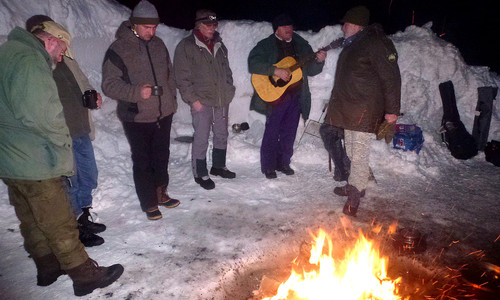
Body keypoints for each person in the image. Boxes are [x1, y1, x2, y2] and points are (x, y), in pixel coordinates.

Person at [0, 21, 123, 296]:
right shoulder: (30, 61)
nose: (59, 57)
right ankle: (84, 275)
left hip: (10, 157)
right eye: (61, 50)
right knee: (58, 219)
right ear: (51, 40)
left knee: (31, 219)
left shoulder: (7, 52)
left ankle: (48, 268)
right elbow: (42, 114)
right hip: (35, 158)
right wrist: (62, 144)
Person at [26, 15, 106, 247]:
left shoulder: (67, 59)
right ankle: (74, 229)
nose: (62, 48)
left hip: (81, 130)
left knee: (88, 176)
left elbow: (84, 82)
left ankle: (84, 216)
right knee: (70, 182)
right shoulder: (37, 64)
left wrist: (94, 95)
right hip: (61, 135)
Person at [102, 0, 180, 220]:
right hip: (136, 117)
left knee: (161, 157)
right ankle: (149, 203)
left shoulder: (159, 44)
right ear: (134, 24)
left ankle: (161, 194)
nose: (152, 31)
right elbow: (109, 85)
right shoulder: (119, 48)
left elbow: (169, 75)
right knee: (143, 160)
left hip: (163, 114)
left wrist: (171, 101)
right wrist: (137, 92)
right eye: (147, 27)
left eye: (154, 27)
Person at [324, 6, 401, 216]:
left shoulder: (376, 43)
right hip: (350, 108)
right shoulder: (355, 43)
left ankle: (355, 195)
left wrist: (392, 111)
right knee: (351, 150)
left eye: (345, 24)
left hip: (364, 110)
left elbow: (391, 78)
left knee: (358, 154)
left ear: (356, 25)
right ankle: (357, 185)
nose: (342, 28)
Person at [248, 13, 327, 179]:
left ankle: (283, 163)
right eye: (284, 27)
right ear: (276, 29)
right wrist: (274, 71)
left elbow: (311, 70)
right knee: (272, 130)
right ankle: (268, 166)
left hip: (297, 94)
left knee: (289, 131)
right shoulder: (266, 45)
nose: (289, 29)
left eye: (290, 26)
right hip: (276, 95)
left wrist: (319, 61)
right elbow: (253, 64)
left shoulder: (301, 45)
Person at [174, 9, 236, 190]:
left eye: (214, 25)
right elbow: (181, 78)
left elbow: (227, 72)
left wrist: (229, 89)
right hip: (201, 101)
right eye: (208, 25)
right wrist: (193, 100)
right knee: (201, 137)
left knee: (221, 134)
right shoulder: (186, 46)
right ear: (198, 26)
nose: (212, 28)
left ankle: (218, 166)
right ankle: (200, 172)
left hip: (221, 99)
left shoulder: (220, 45)